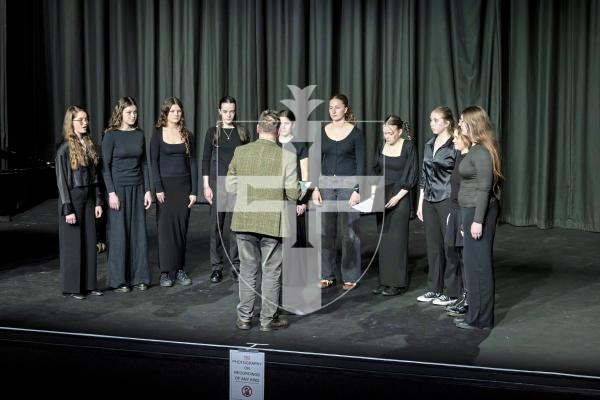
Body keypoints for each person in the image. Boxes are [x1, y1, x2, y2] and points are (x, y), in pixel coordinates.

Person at [226, 110, 300, 331]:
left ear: (258, 128)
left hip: (245, 218)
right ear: (277, 132)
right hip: (272, 221)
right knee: (271, 271)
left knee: (247, 269)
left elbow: (230, 187)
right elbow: (293, 194)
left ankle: (245, 318)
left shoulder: (240, 151)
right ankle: (268, 320)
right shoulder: (287, 156)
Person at [454, 106, 503, 330]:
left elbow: (484, 188)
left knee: (480, 266)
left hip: (478, 211)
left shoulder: (482, 151)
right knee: (472, 267)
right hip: (469, 211)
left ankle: (482, 319)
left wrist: (477, 220)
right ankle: (474, 316)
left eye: (462, 121)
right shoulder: (473, 148)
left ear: (472, 124)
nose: (459, 125)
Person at [312, 94, 365, 291]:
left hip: (348, 186)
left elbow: (361, 163)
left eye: (337, 107)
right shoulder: (322, 131)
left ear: (345, 109)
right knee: (325, 232)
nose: (333, 111)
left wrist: (357, 190)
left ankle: (350, 276)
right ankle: (326, 274)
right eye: (330, 107)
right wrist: (315, 188)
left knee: (349, 233)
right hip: (325, 186)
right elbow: (316, 160)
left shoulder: (356, 133)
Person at [102, 96, 152, 293]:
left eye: (135, 112)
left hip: (137, 187)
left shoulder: (139, 134)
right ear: (120, 113)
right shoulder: (111, 135)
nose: (133, 115)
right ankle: (119, 280)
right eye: (129, 112)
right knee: (119, 234)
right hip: (119, 190)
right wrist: (111, 193)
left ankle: (140, 277)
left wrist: (147, 189)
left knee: (138, 233)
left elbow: (144, 163)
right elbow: (105, 167)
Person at [202, 96, 252, 284]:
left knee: (236, 226)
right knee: (216, 226)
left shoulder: (242, 132)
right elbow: (205, 159)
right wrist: (206, 185)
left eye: (232, 111)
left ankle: (236, 266)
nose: (229, 114)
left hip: (237, 183)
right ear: (219, 111)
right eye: (225, 111)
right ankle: (216, 268)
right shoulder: (213, 132)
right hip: (217, 184)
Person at [55, 106, 104, 300]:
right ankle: (73, 287)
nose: (85, 123)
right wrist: (68, 208)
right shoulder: (64, 148)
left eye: (86, 119)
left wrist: (99, 201)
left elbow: (96, 177)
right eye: (80, 120)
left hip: (89, 197)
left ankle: (90, 285)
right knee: (73, 244)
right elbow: (61, 182)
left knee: (90, 241)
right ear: (71, 122)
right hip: (72, 199)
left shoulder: (89, 144)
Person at [416, 106, 460, 306]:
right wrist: (420, 201)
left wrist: (456, 203)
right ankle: (434, 288)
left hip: (447, 199)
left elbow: (458, 176)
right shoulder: (429, 144)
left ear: (447, 123)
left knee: (449, 245)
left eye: (435, 120)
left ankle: (452, 292)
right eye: (430, 120)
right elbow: (424, 176)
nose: (431, 123)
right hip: (429, 200)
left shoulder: (455, 145)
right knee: (433, 247)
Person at [150, 97, 197, 287]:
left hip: (184, 186)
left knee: (181, 229)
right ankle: (164, 272)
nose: (176, 114)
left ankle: (179, 269)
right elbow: (153, 162)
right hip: (166, 188)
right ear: (166, 113)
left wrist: (194, 191)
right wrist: (158, 188)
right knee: (164, 229)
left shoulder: (188, 135)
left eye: (179, 111)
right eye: (172, 111)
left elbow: (193, 163)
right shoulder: (157, 134)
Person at [370, 115, 418, 296]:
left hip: (399, 197)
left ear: (399, 132)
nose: (386, 136)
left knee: (397, 242)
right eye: (384, 133)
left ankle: (397, 283)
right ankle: (385, 281)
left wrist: (398, 197)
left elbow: (411, 175)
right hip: (382, 197)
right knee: (384, 241)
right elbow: (375, 169)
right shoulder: (382, 146)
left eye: (390, 133)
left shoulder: (408, 147)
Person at [445, 128, 472, 317]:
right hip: (455, 210)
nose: (453, 141)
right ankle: (465, 295)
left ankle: (470, 298)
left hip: (464, 212)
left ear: (465, 138)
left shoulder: (470, 160)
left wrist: (464, 219)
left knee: (467, 258)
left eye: (456, 138)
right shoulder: (459, 158)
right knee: (461, 257)